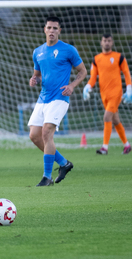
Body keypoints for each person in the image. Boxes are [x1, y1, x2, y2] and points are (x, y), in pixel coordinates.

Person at [28, 16, 87, 186]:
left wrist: (73, 85)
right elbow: (37, 75)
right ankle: (64, 163)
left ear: (59, 31)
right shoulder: (37, 52)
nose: (52, 31)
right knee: (34, 136)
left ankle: (47, 177)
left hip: (60, 97)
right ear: (44, 30)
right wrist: (34, 80)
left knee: (46, 133)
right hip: (43, 98)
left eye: (55, 28)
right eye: (49, 28)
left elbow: (82, 71)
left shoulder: (68, 50)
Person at [83, 34, 132, 155]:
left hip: (116, 93)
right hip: (104, 94)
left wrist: (129, 89)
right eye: (104, 40)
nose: (106, 43)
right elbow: (93, 77)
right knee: (115, 120)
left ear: (112, 42)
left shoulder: (119, 57)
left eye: (109, 41)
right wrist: (88, 86)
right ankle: (127, 145)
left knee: (106, 117)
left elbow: (126, 73)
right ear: (101, 42)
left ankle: (104, 148)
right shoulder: (96, 59)